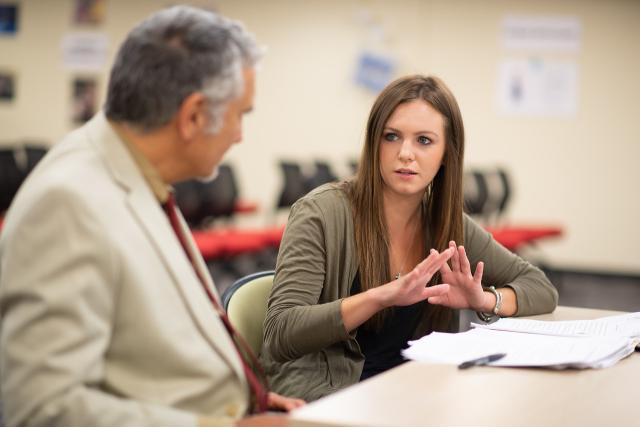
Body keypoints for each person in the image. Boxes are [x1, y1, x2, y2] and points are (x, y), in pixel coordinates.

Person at [0, 6, 303, 427]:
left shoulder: (134, 171)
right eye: (241, 114)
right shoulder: (68, 203)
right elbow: (41, 409)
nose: (239, 135)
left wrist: (252, 403)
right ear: (194, 116)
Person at [260, 75, 558, 401]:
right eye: (391, 137)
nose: (405, 153)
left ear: (447, 153)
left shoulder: (447, 225)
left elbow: (540, 288)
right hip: (327, 396)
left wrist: (483, 300)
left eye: (424, 141)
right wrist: (379, 297)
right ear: (374, 143)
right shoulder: (319, 213)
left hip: (414, 391)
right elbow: (281, 332)